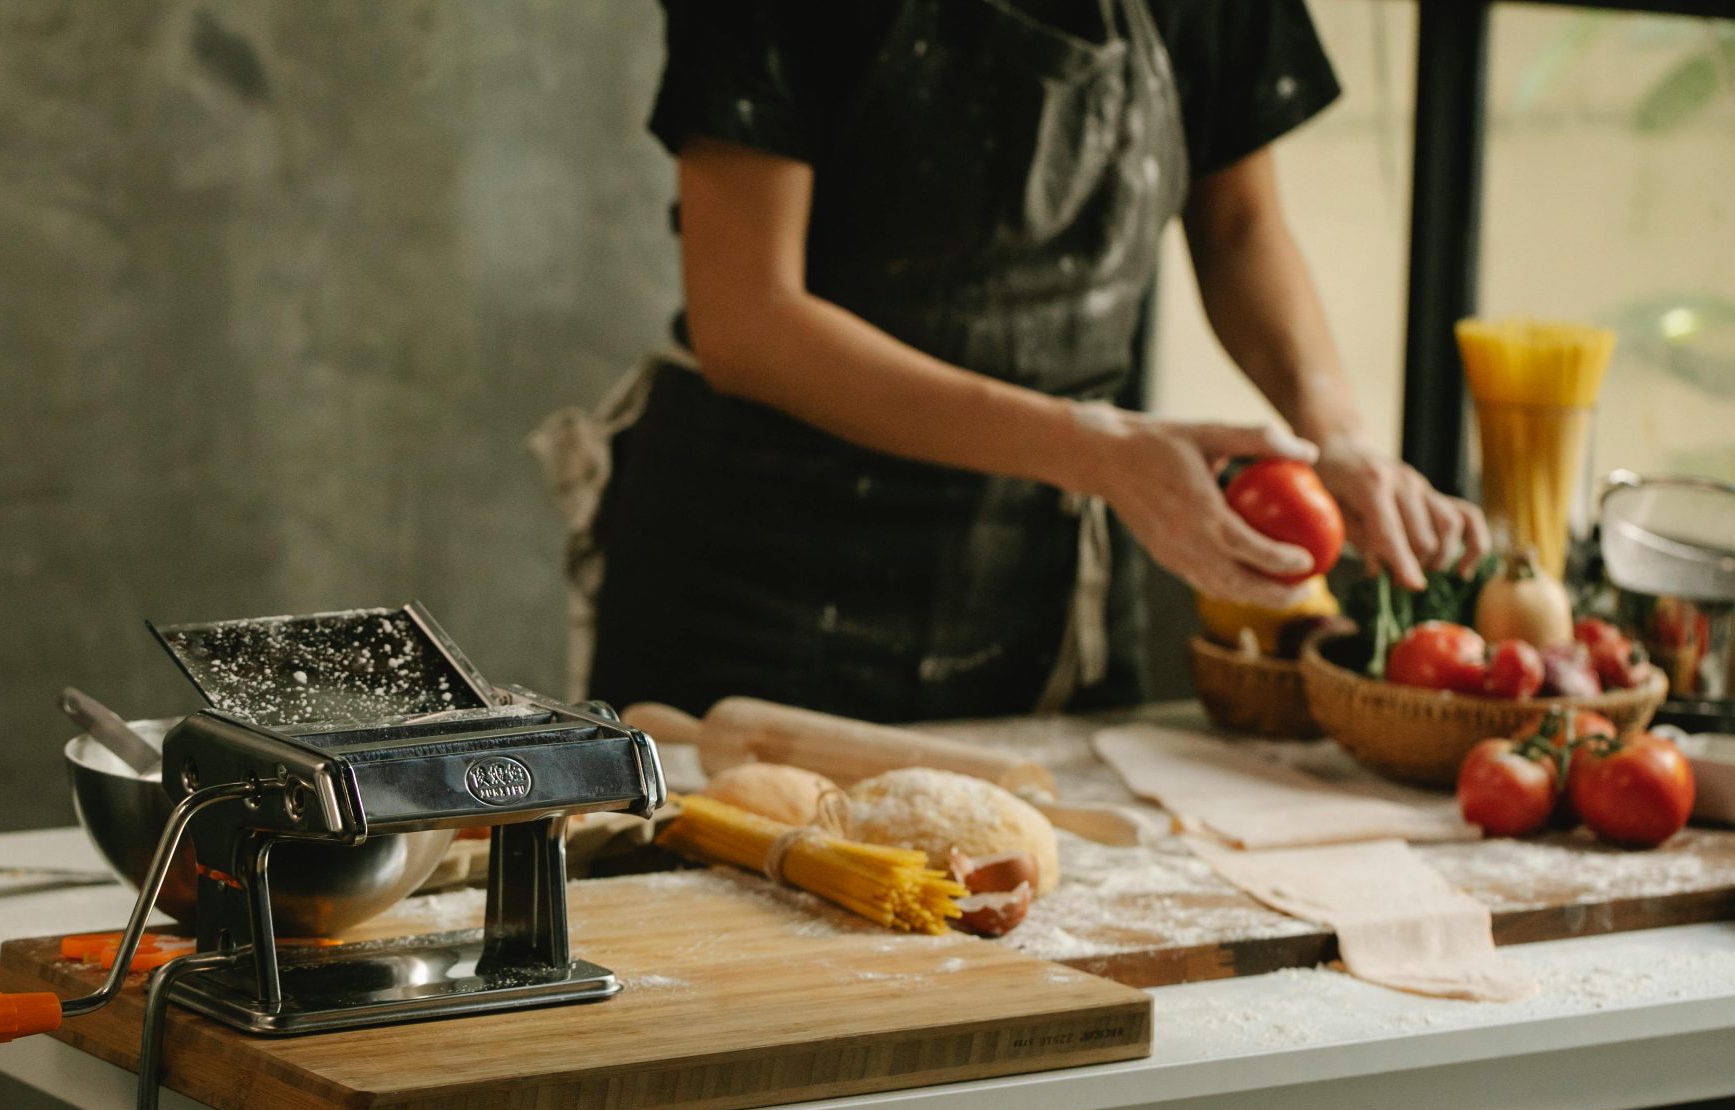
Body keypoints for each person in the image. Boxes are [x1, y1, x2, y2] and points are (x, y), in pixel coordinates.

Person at [536, 0, 1489, 730]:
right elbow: (748, 321)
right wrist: (1094, 448)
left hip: (1043, 577)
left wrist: (1337, 441)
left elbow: (1239, 227)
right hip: (770, 579)